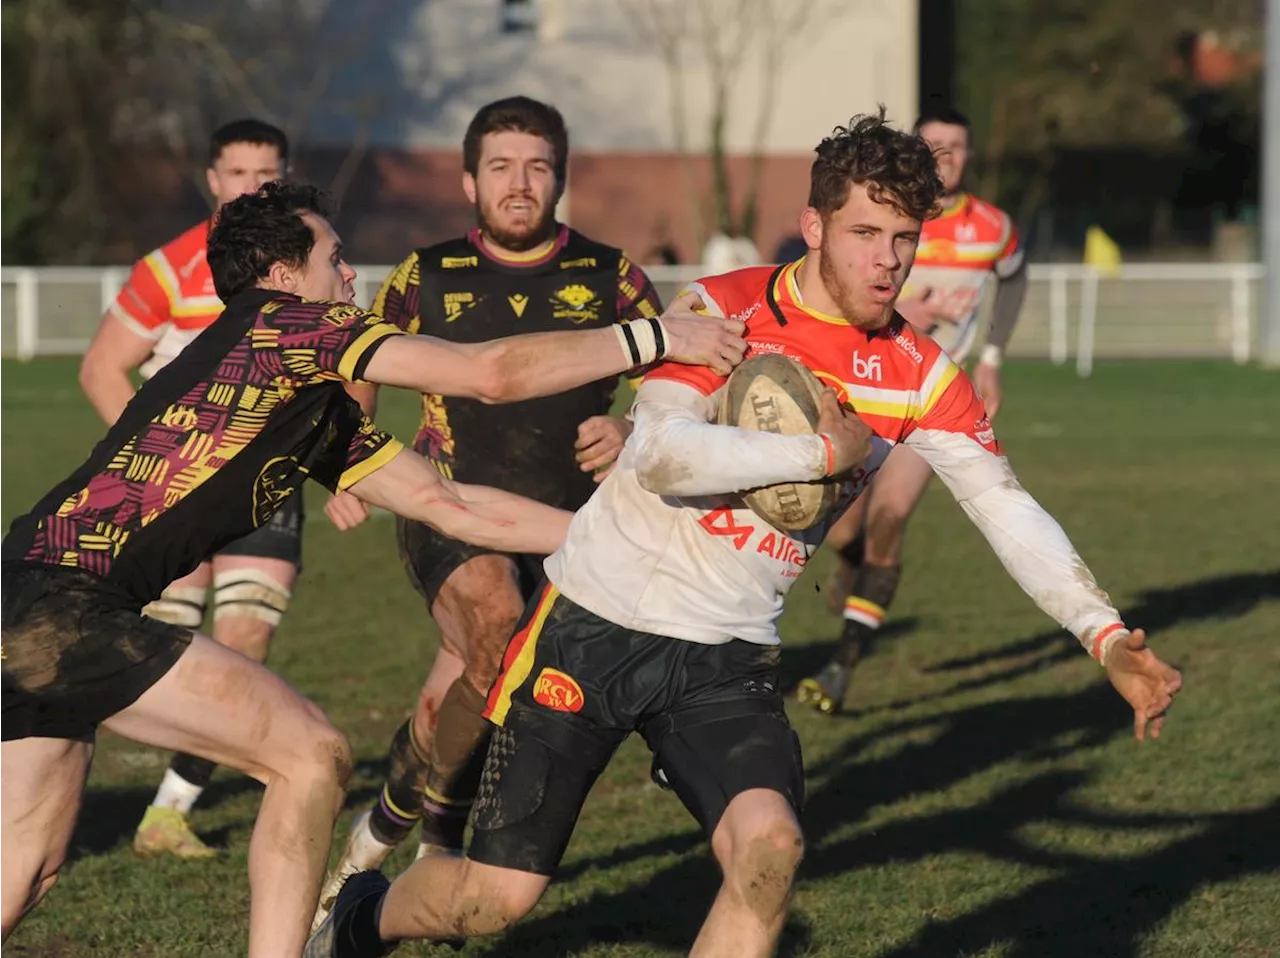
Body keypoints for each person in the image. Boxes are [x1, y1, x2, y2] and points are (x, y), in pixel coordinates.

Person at [305, 110, 1181, 958]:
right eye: (866, 233)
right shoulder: (724, 308)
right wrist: (815, 451)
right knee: (491, 900)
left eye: (905, 239)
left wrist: (1102, 635)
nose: (887, 262)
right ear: (813, 225)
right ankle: (359, 919)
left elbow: (1005, 506)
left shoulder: (917, 374)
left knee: (770, 850)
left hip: (726, 655)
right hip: (590, 626)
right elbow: (659, 455)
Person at [0, 179, 746, 956]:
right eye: (336, 256)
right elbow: (489, 372)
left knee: (25, 871)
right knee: (310, 755)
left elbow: (452, 507)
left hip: (29, 607)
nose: (352, 276)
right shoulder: (289, 327)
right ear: (284, 274)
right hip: (60, 607)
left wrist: (628, 539)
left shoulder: (306, 403)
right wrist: (655, 339)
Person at [313, 96, 667, 923]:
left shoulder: (612, 276)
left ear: (561, 180)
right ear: (470, 181)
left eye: (538, 166)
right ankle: (442, 834)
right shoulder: (424, 276)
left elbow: (676, 392)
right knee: (498, 624)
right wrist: (345, 466)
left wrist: (629, 426)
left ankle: (374, 838)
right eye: (501, 167)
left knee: (452, 706)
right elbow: (353, 368)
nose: (520, 183)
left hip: (570, 530)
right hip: (450, 509)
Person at [78, 118, 341, 856]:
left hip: (267, 487)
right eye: (238, 174)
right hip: (174, 490)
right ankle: (44, 761)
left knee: (247, 639)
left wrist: (346, 472)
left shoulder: (312, 266)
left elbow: (343, 370)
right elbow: (101, 368)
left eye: (269, 174)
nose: (254, 187)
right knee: (152, 652)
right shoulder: (169, 269)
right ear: (213, 181)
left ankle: (169, 810)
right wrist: (149, 454)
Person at [798, 105, 1032, 715]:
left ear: (970, 155)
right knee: (840, 526)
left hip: (926, 398)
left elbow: (1014, 275)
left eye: (957, 145)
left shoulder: (992, 228)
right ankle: (851, 569)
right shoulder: (888, 214)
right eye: (936, 144)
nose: (947, 155)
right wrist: (900, 315)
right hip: (860, 389)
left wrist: (993, 355)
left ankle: (842, 667)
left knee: (889, 519)